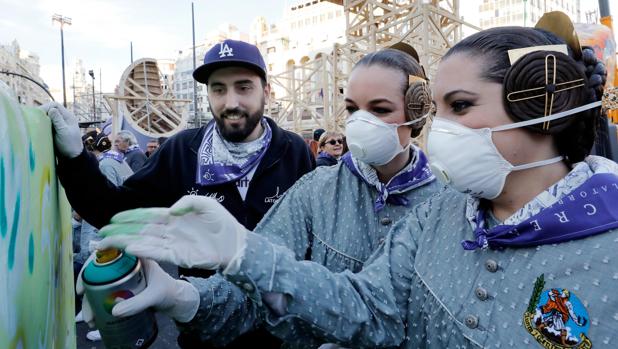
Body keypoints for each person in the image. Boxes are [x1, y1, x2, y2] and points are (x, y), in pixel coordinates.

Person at [97, 18, 618, 348]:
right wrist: (225, 267)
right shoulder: (439, 218)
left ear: (544, 107)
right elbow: (372, 309)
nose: (445, 128)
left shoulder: (438, 204)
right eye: (351, 108)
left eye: (459, 107)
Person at [90, 46, 440, 347]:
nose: (361, 123)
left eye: (379, 110)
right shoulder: (316, 189)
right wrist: (185, 297)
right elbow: (251, 290)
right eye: (352, 110)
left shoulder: (448, 205)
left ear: (418, 112)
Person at [43, 38, 315, 348]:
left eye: (244, 87)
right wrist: (76, 158)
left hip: (281, 333)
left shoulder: (294, 151)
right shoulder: (182, 151)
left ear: (266, 91)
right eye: (218, 89)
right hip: (206, 326)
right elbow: (116, 212)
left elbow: (313, 243)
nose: (230, 102)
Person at [74, 130, 134, 342]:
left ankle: (107, 322)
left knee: (107, 278)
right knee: (101, 275)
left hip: (107, 229)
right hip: (117, 227)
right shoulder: (117, 160)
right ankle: (90, 309)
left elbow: (105, 199)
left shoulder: (106, 164)